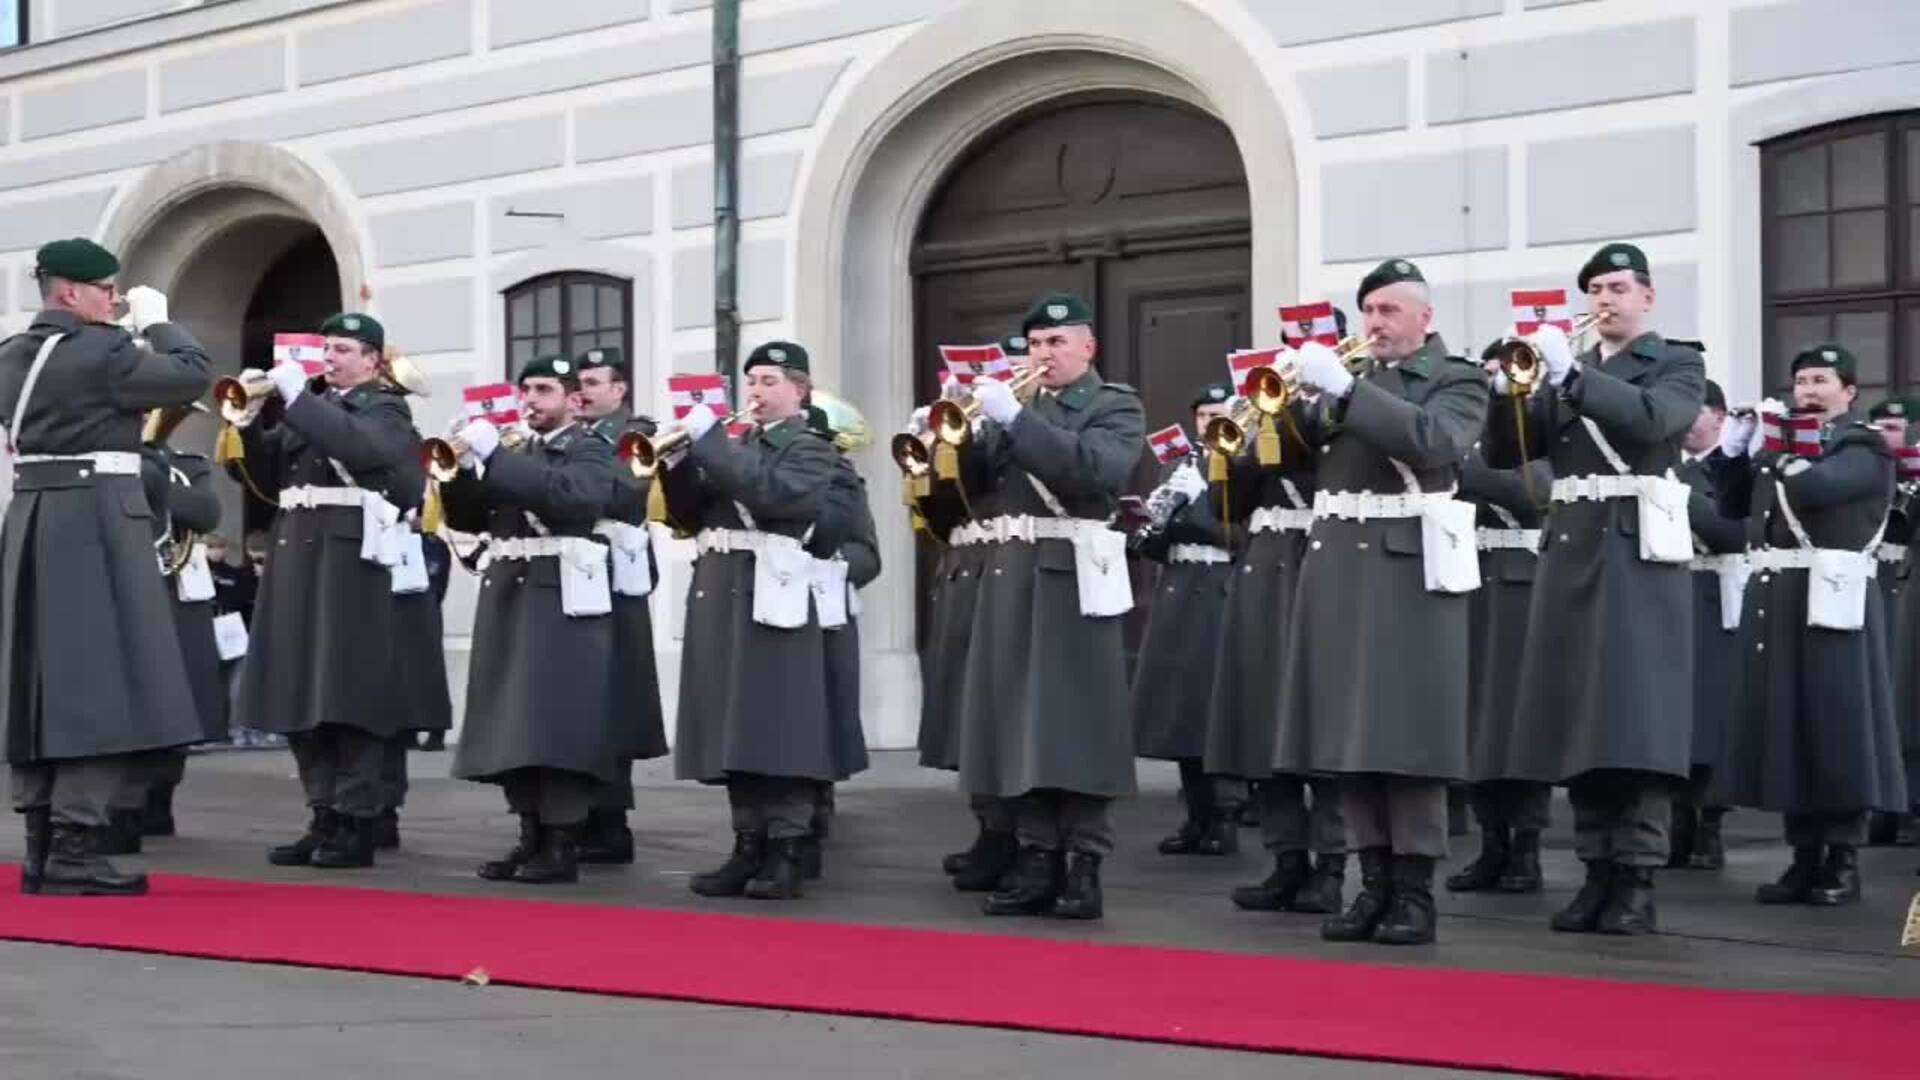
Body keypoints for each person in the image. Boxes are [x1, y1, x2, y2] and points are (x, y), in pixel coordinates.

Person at [1484, 242, 1705, 936]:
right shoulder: (1566, 371)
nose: (1602, 300)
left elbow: (1654, 423)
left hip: (1636, 550)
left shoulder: (1677, 361)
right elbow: (1507, 455)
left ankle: (1635, 875)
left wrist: (1571, 376)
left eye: (1615, 287)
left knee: (1633, 718)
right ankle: (1594, 870)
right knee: (1574, 712)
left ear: (1647, 296)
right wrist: (1509, 395)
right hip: (1572, 546)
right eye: (1594, 289)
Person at [1273, 258, 1488, 945]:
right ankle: (1373, 883)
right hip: (1338, 564)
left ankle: (1415, 891)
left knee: (1408, 735)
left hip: (1408, 567)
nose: (1374, 325)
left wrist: (1344, 391)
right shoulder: (1350, 380)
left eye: (1389, 311)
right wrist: (1287, 403)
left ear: (1425, 318)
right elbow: (1282, 464)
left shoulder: (1457, 377)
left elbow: (1437, 442)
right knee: (1349, 737)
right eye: (1368, 312)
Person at [1, 237, 210, 895]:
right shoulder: (105, 352)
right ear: (70, 292)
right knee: (103, 680)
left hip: (33, 521)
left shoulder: (11, 356)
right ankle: (75, 850)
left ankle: (41, 847)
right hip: (96, 522)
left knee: (38, 687)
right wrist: (156, 319)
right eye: (106, 291)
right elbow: (191, 371)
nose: (114, 301)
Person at [951, 293, 1144, 921]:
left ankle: (1084, 864)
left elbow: (1093, 471)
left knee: (1078, 723)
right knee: (1018, 719)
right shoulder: (1017, 408)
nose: (1044, 354)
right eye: (1035, 344)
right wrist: (961, 429)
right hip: (1014, 576)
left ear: (1088, 348)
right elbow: (972, 490)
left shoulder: (1115, 404)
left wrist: (1015, 420)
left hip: (1073, 577)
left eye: (1058, 343)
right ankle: (1036, 857)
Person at [664, 341, 871, 900]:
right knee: (734, 728)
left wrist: (711, 443)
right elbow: (685, 515)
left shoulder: (810, 448)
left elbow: (776, 493)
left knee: (779, 726)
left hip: (778, 601)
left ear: (800, 391)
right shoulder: (731, 445)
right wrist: (678, 461)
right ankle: (747, 843)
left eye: (770, 380)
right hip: (725, 596)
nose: (755, 390)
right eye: (750, 380)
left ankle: (786, 844)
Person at [1713, 344, 1907, 905]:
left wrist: (1775, 453)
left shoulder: (1862, 445)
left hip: (1834, 601)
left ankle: (1842, 859)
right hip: (1781, 599)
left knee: (1838, 724)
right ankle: (1803, 856)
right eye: (1800, 381)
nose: (1808, 391)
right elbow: (1731, 509)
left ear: (1849, 392)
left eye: (1822, 380)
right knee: (1789, 728)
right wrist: (1732, 455)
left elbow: (1819, 486)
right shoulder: (1785, 449)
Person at [232, 313, 423, 870]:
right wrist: (246, 424)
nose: (332, 358)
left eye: (343, 349)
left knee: (348, 692)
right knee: (300, 692)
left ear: (372, 360)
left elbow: (363, 452)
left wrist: (298, 399)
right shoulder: (309, 405)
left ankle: (358, 819)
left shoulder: (385, 408)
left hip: (347, 561)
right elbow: (267, 479)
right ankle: (323, 814)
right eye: (329, 348)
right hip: (298, 557)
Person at [442, 354, 623, 884]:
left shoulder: (589, 446)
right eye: (526, 390)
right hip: (510, 590)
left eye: (544, 390)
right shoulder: (517, 449)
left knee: (555, 719)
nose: (530, 401)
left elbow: (575, 498)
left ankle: (562, 839)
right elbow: (469, 519)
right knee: (511, 720)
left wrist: (496, 454)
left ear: (574, 400)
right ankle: (529, 834)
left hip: (560, 593)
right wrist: (461, 472)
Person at [1214, 322, 1345, 916]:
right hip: (1264, 565)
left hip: (1317, 556)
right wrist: (1232, 450)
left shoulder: (1350, 397)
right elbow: (1227, 510)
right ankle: (1285, 857)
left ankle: (1333, 863)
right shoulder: (1266, 403)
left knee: (1322, 720)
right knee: (1266, 716)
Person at [925, 335, 1027, 893]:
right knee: (970, 708)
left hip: (1009, 563)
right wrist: (941, 444)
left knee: (1004, 707)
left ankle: (1016, 835)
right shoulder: (974, 422)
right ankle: (990, 827)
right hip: (968, 566)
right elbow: (942, 510)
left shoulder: (1027, 420)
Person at [1448, 419, 1552, 896]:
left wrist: (1462, 469)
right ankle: (1491, 842)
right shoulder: (1466, 444)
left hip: (1519, 587)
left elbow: (1537, 494)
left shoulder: (1536, 436)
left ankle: (1525, 847)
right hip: (1470, 578)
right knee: (1475, 724)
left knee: (1518, 723)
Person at [1131, 383, 1236, 856]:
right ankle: (1196, 817)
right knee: (1179, 709)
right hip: (1178, 584)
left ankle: (1224, 819)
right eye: (1201, 415)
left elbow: (1239, 533)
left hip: (1218, 584)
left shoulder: (1239, 460)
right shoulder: (1181, 464)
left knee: (1213, 709)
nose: (1208, 422)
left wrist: (1194, 509)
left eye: (1218, 413)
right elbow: (1162, 540)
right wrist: (1149, 523)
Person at [575, 346, 668, 865]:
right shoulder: (573, 436)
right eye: (580, 382)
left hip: (614, 577)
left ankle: (611, 818)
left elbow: (624, 493)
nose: (583, 391)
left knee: (614, 698)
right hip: (571, 574)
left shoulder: (635, 438)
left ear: (619, 390)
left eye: (594, 381)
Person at [1672, 377, 1747, 870]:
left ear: (1719, 416)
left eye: (1695, 411)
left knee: (1715, 713)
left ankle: (1711, 823)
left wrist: (1679, 499)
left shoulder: (1735, 467)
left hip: (1721, 589)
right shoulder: (1669, 466)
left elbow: (1734, 531)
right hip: (1676, 588)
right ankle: (1678, 822)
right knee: (1678, 712)